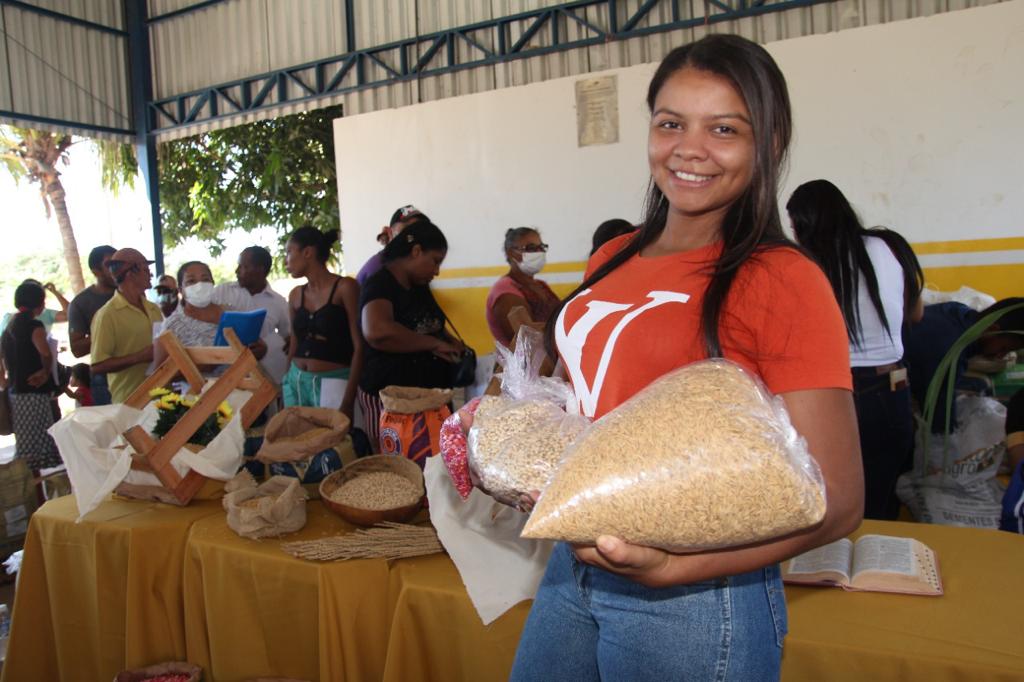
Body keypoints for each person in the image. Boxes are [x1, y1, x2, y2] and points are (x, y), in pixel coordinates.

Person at [459, 35, 862, 680]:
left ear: (769, 142)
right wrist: (509, 441)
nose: (689, 149)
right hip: (571, 565)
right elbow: (583, 411)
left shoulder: (781, 278)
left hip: (699, 595)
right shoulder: (611, 257)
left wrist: (674, 567)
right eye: (671, 123)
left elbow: (838, 500)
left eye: (724, 129)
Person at [786, 179, 924, 520]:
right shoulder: (890, 245)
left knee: (835, 506)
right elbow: (916, 313)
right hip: (893, 391)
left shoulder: (805, 262)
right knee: (882, 500)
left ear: (803, 224)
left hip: (836, 394)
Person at [359, 219, 463, 447]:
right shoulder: (380, 284)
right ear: (416, 251)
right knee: (399, 464)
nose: (436, 271)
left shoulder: (419, 286)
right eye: (435, 261)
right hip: (391, 401)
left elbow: (428, 324)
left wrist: (449, 341)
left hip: (428, 397)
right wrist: (433, 344)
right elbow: (377, 331)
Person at [903, 297, 1024, 432]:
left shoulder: (957, 311)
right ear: (992, 329)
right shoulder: (951, 354)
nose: (1000, 356)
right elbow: (940, 421)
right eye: (1004, 348)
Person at [284, 227, 363, 423]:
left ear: (308, 252)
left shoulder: (346, 287)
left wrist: (348, 401)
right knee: (298, 440)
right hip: (296, 381)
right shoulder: (295, 295)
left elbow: (360, 346)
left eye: (289, 252)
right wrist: (285, 383)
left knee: (334, 440)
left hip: (334, 383)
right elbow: (294, 343)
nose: (286, 260)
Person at [154, 260, 267, 372]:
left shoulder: (231, 312)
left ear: (212, 283)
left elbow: (253, 345)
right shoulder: (173, 324)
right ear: (181, 290)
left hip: (248, 380)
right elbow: (160, 372)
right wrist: (204, 364)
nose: (200, 285)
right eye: (191, 281)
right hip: (204, 383)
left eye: (205, 279)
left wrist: (260, 350)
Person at [0, 281, 62, 470]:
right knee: (39, 444)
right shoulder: (34, 325)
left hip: (16, 391)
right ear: (40, 304)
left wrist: (4, 381)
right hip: (34, 391)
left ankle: (32, 484)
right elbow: (45, 353)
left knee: (26, 444)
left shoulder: (10, 325)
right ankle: (37, 484)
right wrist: (45, 370)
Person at [89, 248, 163, 404]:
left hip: (161, 397)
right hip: (129, 401)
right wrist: (139, 357)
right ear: (130, 273)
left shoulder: (154, 309)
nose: (150, 274)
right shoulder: (107, 315)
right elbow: (97, 366)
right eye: (145, 269)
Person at [215, 246, 291, 385]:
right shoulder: (223, 291)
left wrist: (268, 347)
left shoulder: (278, 302)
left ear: (260, 269)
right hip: (224, 375)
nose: (237, 271)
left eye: (243, 266)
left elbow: (288, 338)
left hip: (263, 378)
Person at [485, 227, 561, 349]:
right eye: (531, 248)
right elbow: (525, 339)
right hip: (530, 359)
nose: (538, 252)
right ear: (511, 253)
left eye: (541, 247)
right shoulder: (505, 292)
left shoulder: (541, 285)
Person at [69, 245, 117, 405]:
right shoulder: (81, 303)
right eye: (110, 265)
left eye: (118, 263)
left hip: (139, 373)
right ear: (96, 271)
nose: (117, 269)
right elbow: (77, 349)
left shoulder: (132, 293)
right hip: (104, 379)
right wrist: (107, 331)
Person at [355, 205, 430, 287]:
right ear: (390, 233)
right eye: (407, 231)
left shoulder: (408, 265)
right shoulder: (379, 270)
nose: (414, 238)